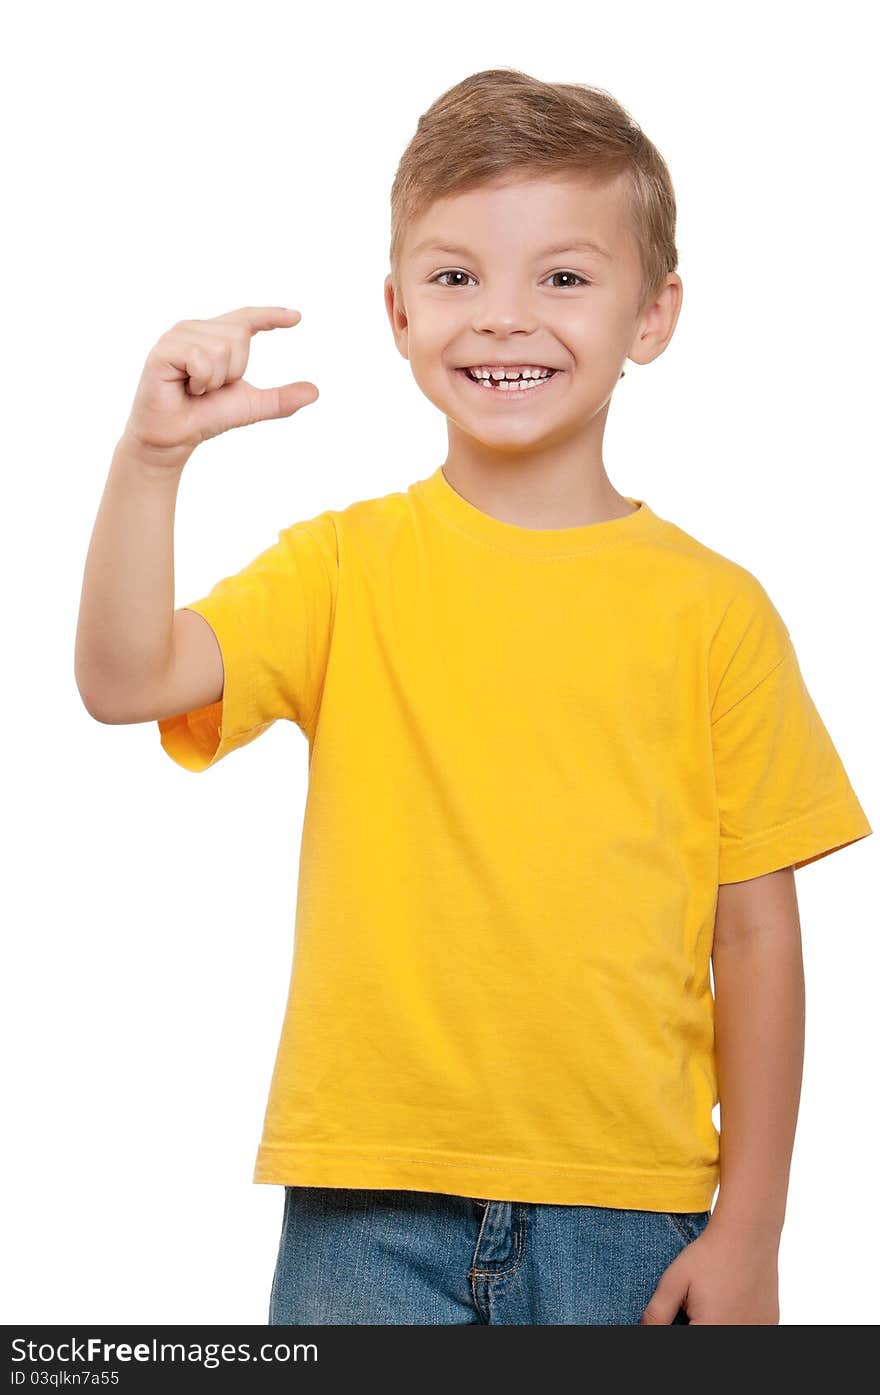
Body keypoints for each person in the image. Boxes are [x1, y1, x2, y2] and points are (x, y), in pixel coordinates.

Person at [74, 68, 872, 1326]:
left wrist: (753, 1231)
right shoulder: (342, 569)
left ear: (652, 314)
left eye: (562, 276)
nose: (503, 318)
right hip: (367, 1204)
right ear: (395, 312)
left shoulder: (715, 612)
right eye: (455, 278)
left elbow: (757, 937)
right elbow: (124, 682)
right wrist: (152, 460)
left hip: (631, 1211)